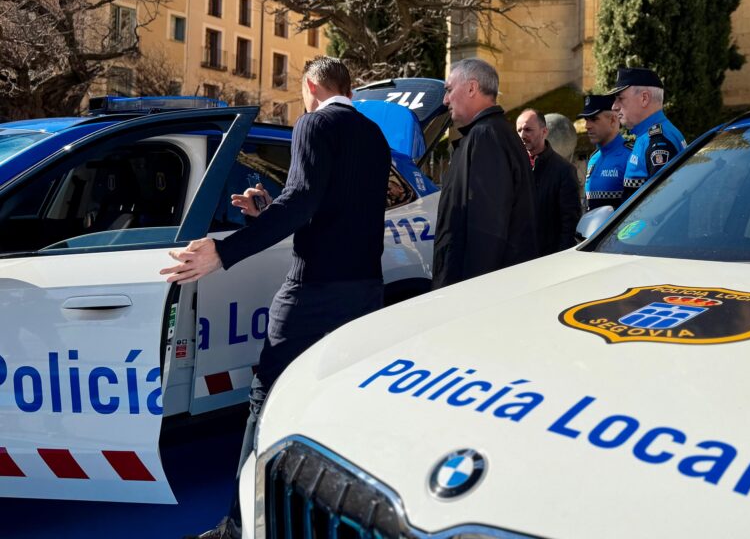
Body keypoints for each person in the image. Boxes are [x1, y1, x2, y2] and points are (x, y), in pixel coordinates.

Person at [161, 56, 391, 539]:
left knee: (265, 400)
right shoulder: (374, 135)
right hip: (366, 290)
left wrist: (223, 252)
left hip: (313, 292)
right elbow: (330, 207)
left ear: (312, 86)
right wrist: (266, 208)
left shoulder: (312, 123)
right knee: (341, 401)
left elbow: (305, 199)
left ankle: (240, 526)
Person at [432, 58, 537, 288]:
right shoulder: (487, 134)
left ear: (471, 88)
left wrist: (473, 293)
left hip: (476, 290)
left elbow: (487, 231)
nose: (445, 99)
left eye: (449, 90)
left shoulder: (486, 137)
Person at [610, 67, 686, 200]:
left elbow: (661, 206)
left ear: (644, 98)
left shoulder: (658, 142)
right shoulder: (648, 137)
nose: (614, 106)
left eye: (620, 99)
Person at [516, 108, 581, 255]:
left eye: (528, 130)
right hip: (515, 260)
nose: (522, 135)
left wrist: (560, 259)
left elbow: (569, 224)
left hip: (546, 260)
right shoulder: (511, 168)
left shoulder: (564, 171)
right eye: (519, 130)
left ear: (544, 132)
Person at [577, 93, 631, 211]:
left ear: (612, 120)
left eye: (594, 119)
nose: (587, 126)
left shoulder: (630, 157)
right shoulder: (593, 159)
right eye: (586, 120)